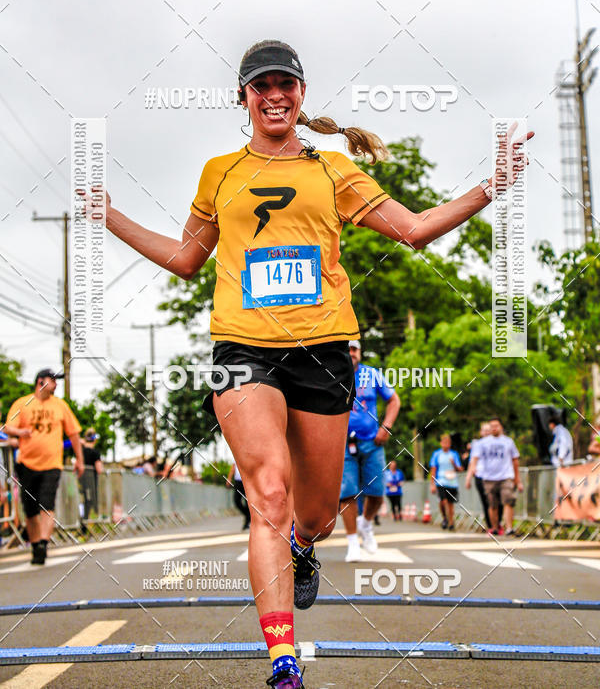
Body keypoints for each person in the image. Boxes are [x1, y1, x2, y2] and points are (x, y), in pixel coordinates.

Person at [85, 39, 532, 688]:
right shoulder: (219, 171)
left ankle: (303, 548)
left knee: (316, 512)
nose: (274, 95)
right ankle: (283, 660)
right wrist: (109, 216)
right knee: (269, 493)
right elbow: (187, 260)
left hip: (323, 350)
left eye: (285, 84)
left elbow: (414, 228)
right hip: (242, 348)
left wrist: (492, 186)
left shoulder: (333, 170)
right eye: (260, 85)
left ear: (300, 95)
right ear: (243, 97)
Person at [3, 369, 84, 565]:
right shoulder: (23, 403)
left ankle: (43, 544)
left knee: (47, 504)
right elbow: (7, 427)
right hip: (26, 463)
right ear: (41, 382)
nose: (56, 385)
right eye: (53, 380)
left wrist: (80, 459)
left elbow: (73, 433)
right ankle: (35, 543)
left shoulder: (60, 406)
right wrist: (20, 432)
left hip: (52, 464)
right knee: (30, 509)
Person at [340, 340, 400, 561]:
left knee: (376, 493)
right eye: (347, 349)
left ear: (360, 352)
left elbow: (393, 400)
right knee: (347, 493)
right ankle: (353, 543)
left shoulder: (372, 374)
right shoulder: (330, 374)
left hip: (372, 442)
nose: (351, 353)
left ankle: (365, 523)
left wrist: (386, 427)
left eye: (354, 349)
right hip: (343, 444)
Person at [466, 416, 522, 536]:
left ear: (501, 427)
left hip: (506, 476)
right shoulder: (482, 443)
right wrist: (470, 473)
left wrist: (517, 479)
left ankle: (509, 528)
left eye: (496, 426)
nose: (494, 428)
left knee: (508, 501)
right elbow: (474, 459)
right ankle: (495, 527)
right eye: (492, 426)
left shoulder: (508, 441)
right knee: (492, 504)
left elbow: (515, 460)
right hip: (489, 478)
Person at [466, 421, 498, 531]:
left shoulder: (498, 443)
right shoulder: (478, 445)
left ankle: (497, 524)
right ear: (481, 432)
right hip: (481, 476)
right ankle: (491, 526)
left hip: (495, 476)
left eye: (488, 430)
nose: (486, 432)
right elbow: (472, 462)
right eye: (484, 430)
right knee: (487, 501)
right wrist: (468, 478)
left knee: (497, 501)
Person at [429, 434, 463, 530]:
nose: (446, 445)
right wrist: (432, 484)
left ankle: (451, 522)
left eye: (448, 443)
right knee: (443, 501)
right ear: (441, 443)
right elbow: (433, 469)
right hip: (440, 481)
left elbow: (459, 469)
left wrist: (454, 464)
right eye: (444, 442)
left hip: (452, 482)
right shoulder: (436, 454)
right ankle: (445, 517)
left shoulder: (454, 454)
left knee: (450, 503)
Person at [79, 429, 104, 530]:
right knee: (90, 502)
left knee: (83, 501)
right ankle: (86, 524)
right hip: (90, 481)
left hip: (80, 480)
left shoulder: (80, 451)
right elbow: (99, 469)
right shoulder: (95, 453)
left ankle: (84, 523)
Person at [227, 460, 251, 530]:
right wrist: (229, 478)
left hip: (246, 480)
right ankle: (248, 515)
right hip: (238, 481)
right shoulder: (236, 454)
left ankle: (247, 523)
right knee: (236, 500)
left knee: (247, 502)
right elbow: (233, 467)